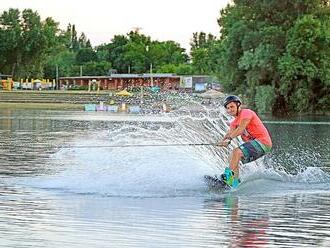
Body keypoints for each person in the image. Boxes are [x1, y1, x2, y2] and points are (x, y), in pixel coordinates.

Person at [218, 95, 272, 187]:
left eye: (232, 107)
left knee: (236, 152)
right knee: (233, 157)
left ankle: (228, 178)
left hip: (263, 143)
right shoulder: (233, 123)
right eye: (227, 108)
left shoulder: (246, 113)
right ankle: (234, 183)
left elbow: (240, 129)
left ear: (238, 105)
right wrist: (223, 141)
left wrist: (229, 139)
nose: (230, 110)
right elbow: (230, 134)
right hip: (256, 146)